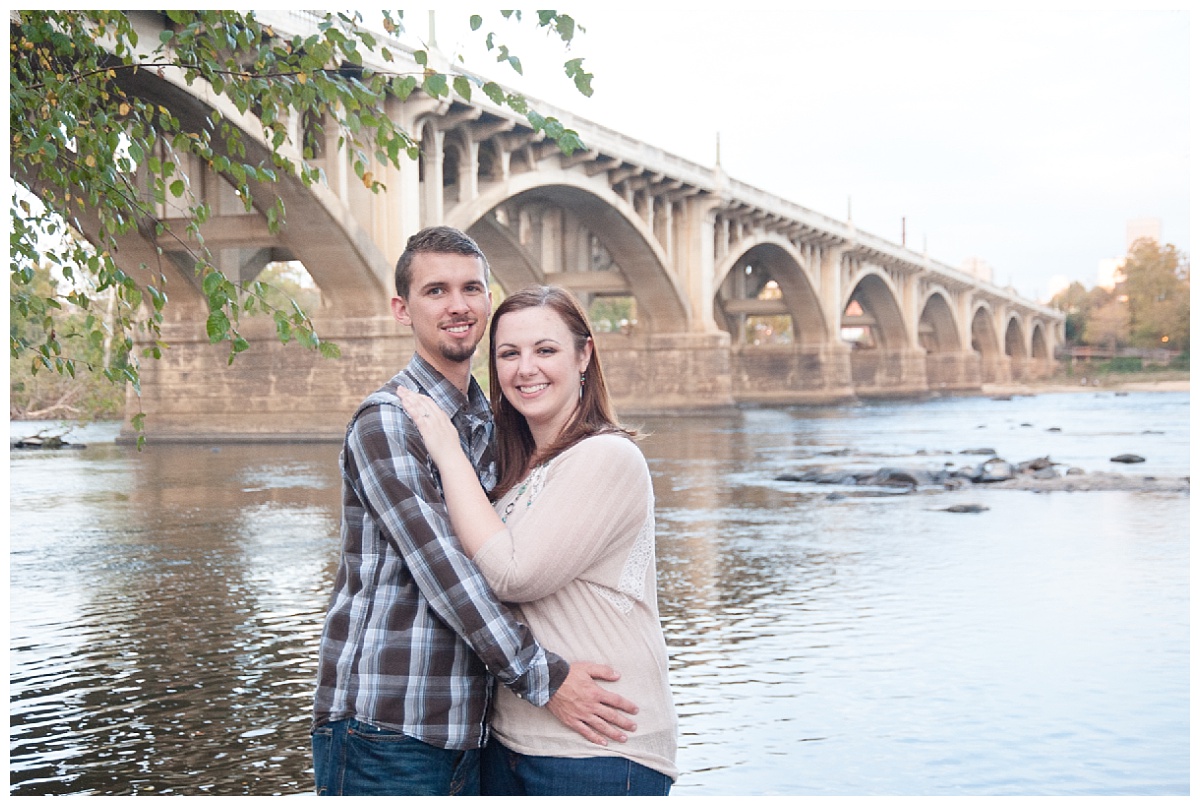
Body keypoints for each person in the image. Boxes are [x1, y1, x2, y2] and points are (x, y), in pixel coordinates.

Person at [311, 229, 639, 797]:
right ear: (402, 309)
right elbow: (448, 575)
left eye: (472, 288)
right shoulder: (390, 422)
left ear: (488, 300)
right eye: (435, 290)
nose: (457, 305)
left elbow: (520, 555)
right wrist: (547, 678)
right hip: (386, 727)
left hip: (471, 730)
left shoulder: (491, 424)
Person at [396, 285, 678, 796]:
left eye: (545, 350)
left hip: (600, 750)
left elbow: (511, 573)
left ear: (584, 354)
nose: (526, 369)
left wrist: (445, 447)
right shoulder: (516, 471)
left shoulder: (607, 458)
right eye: (509, 353)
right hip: (512, 743)